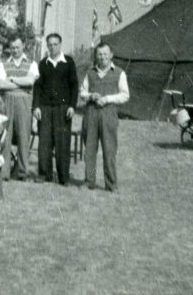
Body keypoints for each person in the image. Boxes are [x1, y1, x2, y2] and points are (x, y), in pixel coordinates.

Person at [80, 42, 129, 191]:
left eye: (105, 54)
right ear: (96, 56)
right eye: (99, 54)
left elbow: (125, 95)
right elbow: (82, 93)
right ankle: (89, 181)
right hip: (91, 113)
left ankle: (111, 183)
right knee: (90, 150)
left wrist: (107, 99)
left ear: (111, 55)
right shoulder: (90, 73)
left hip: (109, 114)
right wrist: (90, 96)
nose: (102, 57)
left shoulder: (119, 73)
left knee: (109, 150)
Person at [33, 33, 79, 185]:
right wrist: (36, 107)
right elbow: (37, 88)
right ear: (47, 46)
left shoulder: (69, 62)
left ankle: (63, 177)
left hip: (63, 108)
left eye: (55, 44)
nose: (53, 47)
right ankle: (44, 174)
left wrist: (72, 106)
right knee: (44, 142)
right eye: (50, 44)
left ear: (60, 45)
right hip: (45, 108)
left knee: (62, 142)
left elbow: (74, 86)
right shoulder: (42, 64)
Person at [0, 36, 39, 181]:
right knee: (5, 136)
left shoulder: (32, 63)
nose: (15, 50)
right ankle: (4, 171)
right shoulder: (2, 64)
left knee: (23, 135)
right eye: (12, 47)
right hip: (7, 100)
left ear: (23, 47)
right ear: (9, 48)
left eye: (18, 47)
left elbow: (30, 81)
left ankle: (22, 171)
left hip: (24, 102)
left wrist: (12, 79)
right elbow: (1, 85)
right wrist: (22, 84)